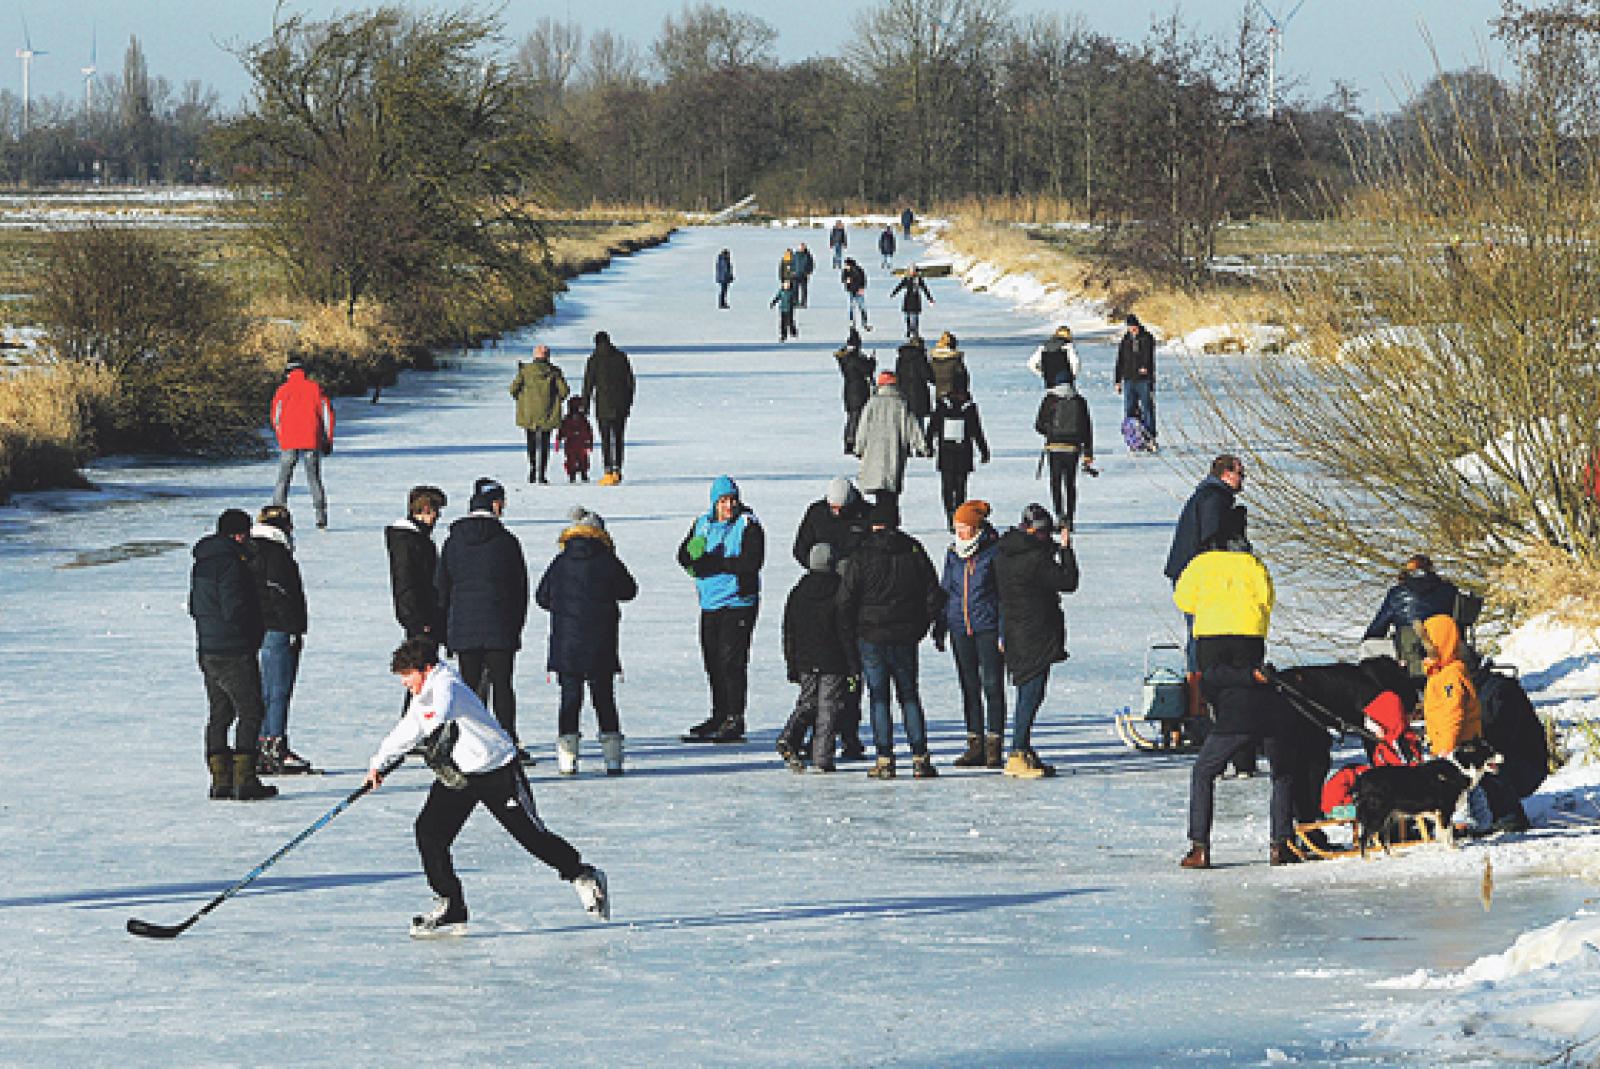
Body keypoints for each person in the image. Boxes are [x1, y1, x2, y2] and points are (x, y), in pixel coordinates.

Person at [364, 637, 610, 938]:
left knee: (531, 836)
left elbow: (435, 716)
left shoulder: (446, 684)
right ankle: (451, 903)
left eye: (407, 675)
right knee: (429, 832)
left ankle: (582, 874)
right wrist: (379, 764)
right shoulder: (424, 693)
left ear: (426, 668)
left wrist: (423, 738)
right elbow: (408, 728)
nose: (405, 683)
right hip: (461, 775)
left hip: (498, 770)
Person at [1172, 509, 1296, 867]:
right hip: (1250, 637)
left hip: (1211, 636)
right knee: (1280, 764)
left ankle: (1200, 845)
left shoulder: (1200, 564)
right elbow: (1267, 598)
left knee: (1222, 693)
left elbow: (1183, 599)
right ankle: (1281, 841)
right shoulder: (1253, 565)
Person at [836, 499, 944, 779]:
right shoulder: (913, 550)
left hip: (871, 636)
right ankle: (920, 757)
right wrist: (921, 626)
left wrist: (851, 633)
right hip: (905, 636)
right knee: (909, 696)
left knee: (878, 698)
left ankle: (884, 759)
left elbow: (845, 601)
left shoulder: (862, 554)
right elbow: (933, 593)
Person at [536, 506, 638, 776]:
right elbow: (629, 590)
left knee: (570, 700)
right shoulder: (607, 561)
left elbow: (542, 597)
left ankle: (567, 760)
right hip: (601, 643)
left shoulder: (560, 562)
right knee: (604, 699)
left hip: (566, 644)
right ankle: (613, 759)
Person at [436, 477, 530, 757]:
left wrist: (448, 629)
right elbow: (520, 589)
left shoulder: (453, 542)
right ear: (495, 505)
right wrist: (515, 626)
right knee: (503, 686)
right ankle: (507, 739)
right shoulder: (506, 542)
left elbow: (442, 588)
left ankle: (471, 743)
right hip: (500, 625)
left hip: (464, 626)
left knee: (469, 690)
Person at [189, 508, 277, 801]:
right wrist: (253, 630)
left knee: (221, 712)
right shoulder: (231, 565)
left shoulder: (202, 562)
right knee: (251, 711)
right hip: (233, 649)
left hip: (207, 647)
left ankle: (221, 781)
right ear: (239, 535)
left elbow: (194, 606)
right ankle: (245, 780)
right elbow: (234, 608)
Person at [994, 504, 1080, 778]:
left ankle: (1023, 749)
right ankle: (1017, 752)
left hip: (1015, 630)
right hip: (1034, 633)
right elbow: (1068, 581)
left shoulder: (1006, 552)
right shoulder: (1034, 559)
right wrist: (1065, 549)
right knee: (1030, 694)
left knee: (1029, 692)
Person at [678, 475, 765, 744]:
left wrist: (714, 563)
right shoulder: (702, 524)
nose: (729, 506)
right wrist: (693, 558)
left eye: (733, 500)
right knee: (713, 661)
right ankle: (719, 715)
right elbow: (683, 555)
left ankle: (734, 718)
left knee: (731, 662)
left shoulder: (748, 524)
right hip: (710, 603)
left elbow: (751, 562)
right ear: (714, 503)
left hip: (738, 603)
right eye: (724, 501)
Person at [792, 477, 872, 760]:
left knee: (850, 675)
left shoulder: (865, 515)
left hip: (853, 597)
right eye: (832, 507)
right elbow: (800, 548)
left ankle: (849, 734)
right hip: (820, 594)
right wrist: (819, 564)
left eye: (841, 508)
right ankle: (815, 737)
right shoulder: (816, 513)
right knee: (820, 677)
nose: (836, 512)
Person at [1164, 455, 1246, 716]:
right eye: (1240, 474)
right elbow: (1211, 541)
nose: (1243, 480)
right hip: (1196, 576)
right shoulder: (1214, 498)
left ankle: (1200, 699)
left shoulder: (1210, 495)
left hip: (1192, 572)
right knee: (1201, 634)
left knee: (1201, 634)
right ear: (1226, 474)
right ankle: (1197, 703)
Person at [933, 501, 1007, 769]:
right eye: (957, 528)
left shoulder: (994, 553)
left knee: (992, 685)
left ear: (976, 529)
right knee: (969, 686)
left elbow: (1004, 596)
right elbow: (946, 589)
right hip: (959, 627)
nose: (959, 533)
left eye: (964, 528)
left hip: (987, 627)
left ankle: (994, 745)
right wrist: (940, 624)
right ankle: (975, 744)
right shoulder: (953, 554)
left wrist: (1002, 631)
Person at [778, 543, 857, 773]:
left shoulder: (798, 591)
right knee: (828, 708)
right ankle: (822, 758)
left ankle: (789, 736)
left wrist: (791, 662)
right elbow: (845, 629)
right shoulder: (839, 590)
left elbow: (789, 630)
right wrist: (853, 663)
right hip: (833, 659)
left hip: (805, 658)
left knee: (808, 702)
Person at [249, 505, 313, 776]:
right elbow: (281, 593)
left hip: (257, 629)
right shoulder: (276, 552)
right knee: (278, 689)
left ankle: (262, 745)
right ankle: (274, 746)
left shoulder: (251, 550)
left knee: (266, 689)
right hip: (278, 628)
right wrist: (293, 627)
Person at [1364, 555, 1476, 684]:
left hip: (1410, 661)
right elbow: (1460, 626)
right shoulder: (1449, 590)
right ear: (1430, 569)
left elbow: (1377, 629)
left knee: (1367, 647)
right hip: (1447, 658)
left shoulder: (1396, 594)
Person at [852, 370, 932, 517]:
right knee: (890, 491)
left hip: (873, 454)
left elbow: (863, 428)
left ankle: (881, 518)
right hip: (894, 453)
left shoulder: (872, 403)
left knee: (879, 489)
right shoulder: (901, 404)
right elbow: (912, 427)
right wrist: (922, 446)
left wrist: (859, 448)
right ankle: (890, 518)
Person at [270, 360, 335, 529]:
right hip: (312, 439)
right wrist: (327, 439)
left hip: (289, 440)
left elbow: (275, 417)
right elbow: (327, 415)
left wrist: (281, 437)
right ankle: (321, 517)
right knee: (314, 479)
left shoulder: (283, 390)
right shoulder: (315, 388)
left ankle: (278, 515)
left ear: (288, 373)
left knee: (283, 479)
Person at [1034, 370, 1095, 531]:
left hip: (1054, 447)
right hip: (1073, 448)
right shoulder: (1080, 401)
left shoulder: (1050, 399)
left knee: (1056, 482)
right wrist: (1088, 453)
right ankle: (1070, 518)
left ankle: (1060, 515)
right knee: (1070, 483)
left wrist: (1050, 432)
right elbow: (1087, 428)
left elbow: (1038, 425)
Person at [927, 388, 991, 530]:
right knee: (960, 488)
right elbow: (977, 431)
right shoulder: (969, 408)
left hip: (946, 455)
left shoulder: (943, 407)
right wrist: (984, 451)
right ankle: (958, 516)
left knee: (948, 488)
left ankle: (951, 516)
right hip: (964, 455)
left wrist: (928, 446)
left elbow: (932, 428)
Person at [581, 331, 636, 486]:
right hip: (620, 405)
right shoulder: (621, 357)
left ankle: (608, 471)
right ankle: (617, 469)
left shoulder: (594, 360)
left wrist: (585, 405)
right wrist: (628, 402)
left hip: (603, 405)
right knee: (618, 437)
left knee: (605, 439)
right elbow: (630, 382)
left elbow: (588, 384)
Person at [509, 344, 569, 485]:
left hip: (528, 412)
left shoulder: (525, 371)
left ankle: (532, 469)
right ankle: (542, 473)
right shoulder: (554, 372)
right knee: (544, 443)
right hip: (548, 411)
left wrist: (523, 400)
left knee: (531, 441)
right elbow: (564, 392)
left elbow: (513, 389)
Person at [1114, 314, 1157, 445]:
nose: (1132, 329)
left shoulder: (1146, 338)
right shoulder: (1125, 340)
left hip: (1144, 380)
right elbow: (1120, 360)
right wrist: (1117, 380)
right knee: (1129, 409)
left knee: (1147, 408)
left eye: (1134, 326)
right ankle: (1133, 436)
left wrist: (1145, 367)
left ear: (1138, 325)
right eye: (1130, 327)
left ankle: (1150, 436)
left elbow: (1148, 356)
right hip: (1128, 379)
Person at [834, 328, 876, 454]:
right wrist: (872, 362)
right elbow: (866, 369)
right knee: (856, 417)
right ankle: (851, 442)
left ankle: (851, 441)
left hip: (850, 390)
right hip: (858, 391)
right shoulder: (853, 358)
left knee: (853, 417)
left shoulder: (846, 358)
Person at [894, 335, 934, 426]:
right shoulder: (920, 358)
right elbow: (928, 376)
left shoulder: (901, 359)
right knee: (919, 422)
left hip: (904, 393)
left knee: (905, 421)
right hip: (919, 394)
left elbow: (898, 376)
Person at [557, 395, 595, 484]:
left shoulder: (568, 419)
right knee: (580, 459)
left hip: (572, 443)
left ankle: (575, 474)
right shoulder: (583, 419)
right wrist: (590, 443)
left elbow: (562, 431)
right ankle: (580, 474)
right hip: (579, 443)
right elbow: (589, 432)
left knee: (574, 459)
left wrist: (558, 440)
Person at [890, 265, 934, 338]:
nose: (913, 272)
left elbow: (925, 289)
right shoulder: (907, 279)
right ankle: (908, 330)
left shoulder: (919, 280)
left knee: (915, 317)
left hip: (915, 300)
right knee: (907, 316)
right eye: (911, 271)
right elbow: (900, 286)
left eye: (914, 271)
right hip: (908, 300)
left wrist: (930, 298)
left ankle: (915, 331)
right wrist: (894, 293)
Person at [928, 331, 969, 401]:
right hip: (954, 396)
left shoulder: (933, 361)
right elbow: (963, 379)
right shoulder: (956, 361)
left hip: (939, 395)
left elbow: (931, 378)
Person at [842, 257, 871, 332]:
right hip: (851, 291)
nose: (845, 266)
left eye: (846, 264)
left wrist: (862, 288)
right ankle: (852, 322)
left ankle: (864, 323)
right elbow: (843, 279)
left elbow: (863, 279)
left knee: (862, 307)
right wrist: (846, 281)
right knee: (851, 307)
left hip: (858, 291)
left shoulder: (858, 269)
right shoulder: (845, 271)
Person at [793, 242, 815, 308]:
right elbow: (792, 263)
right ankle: (795, 302)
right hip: (796, 274)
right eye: (801, 247)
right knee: (795, 289)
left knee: (804, 290)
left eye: (803, 247)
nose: (802, 248)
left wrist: (808, 272)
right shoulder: (795, 255)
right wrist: (792, 271)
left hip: (804, 275)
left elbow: (811, 265)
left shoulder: (808, 255)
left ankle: (803, 303)